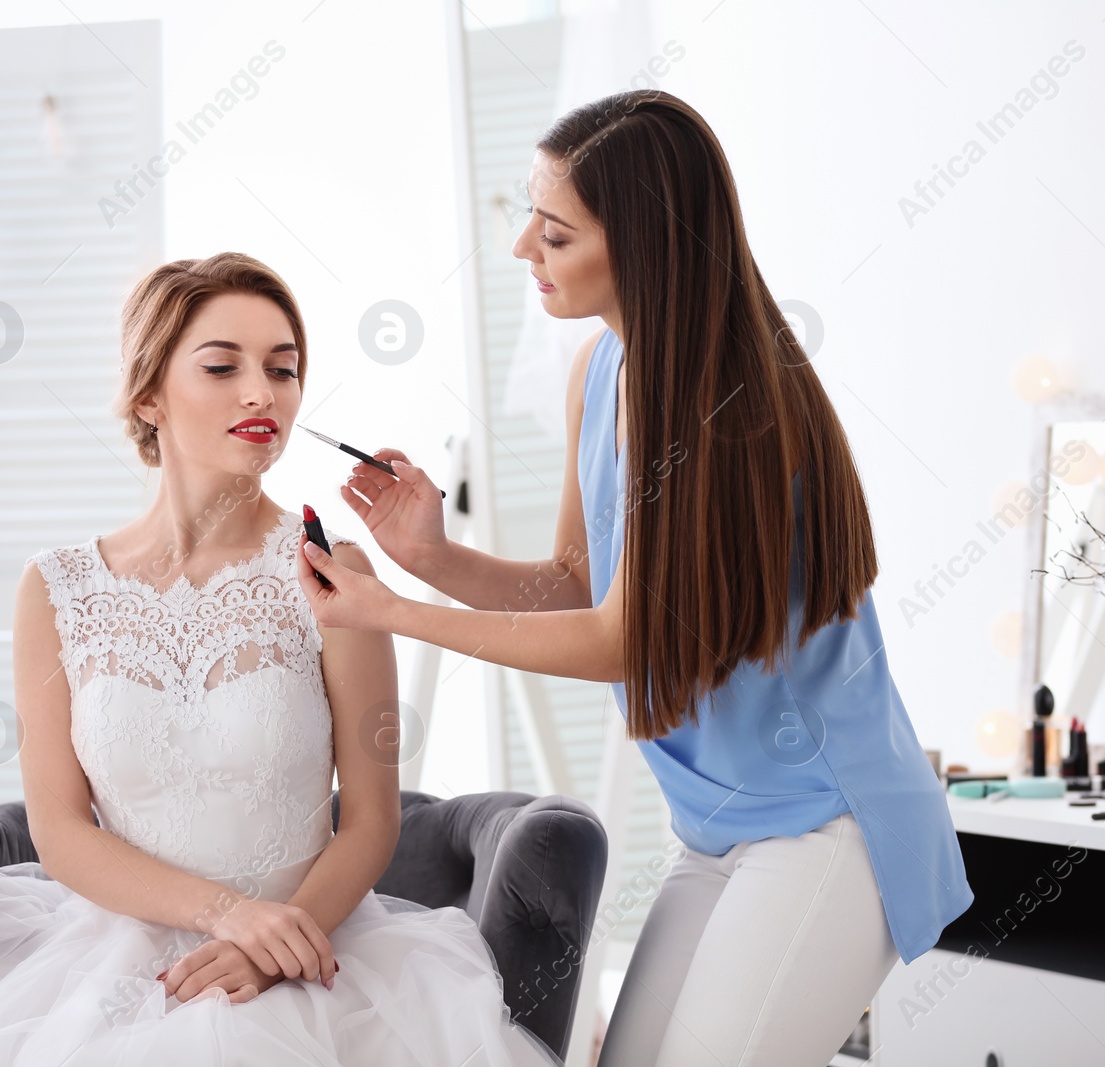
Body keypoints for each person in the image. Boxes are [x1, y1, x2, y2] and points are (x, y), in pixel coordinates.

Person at [294, 91, 974, 1067]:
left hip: (828, 821)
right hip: (714, 826)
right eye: (529, 213)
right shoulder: (603, 371)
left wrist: (395, 610)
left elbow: (627, 638)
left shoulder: (726, 406)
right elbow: (579, 580)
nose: (524, 245)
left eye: (557, 230)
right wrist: (432, 556)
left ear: (646, 244)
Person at [0, 253, 563, 1067]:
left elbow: (372, 818)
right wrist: (228, 913)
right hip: (106, 967)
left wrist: (268, 944)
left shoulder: (337, 575)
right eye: (223, 366)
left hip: (310, 953)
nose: (262, 392)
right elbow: (58, 828)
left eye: (283, 368)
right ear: (149, 393)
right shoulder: (56, 589)